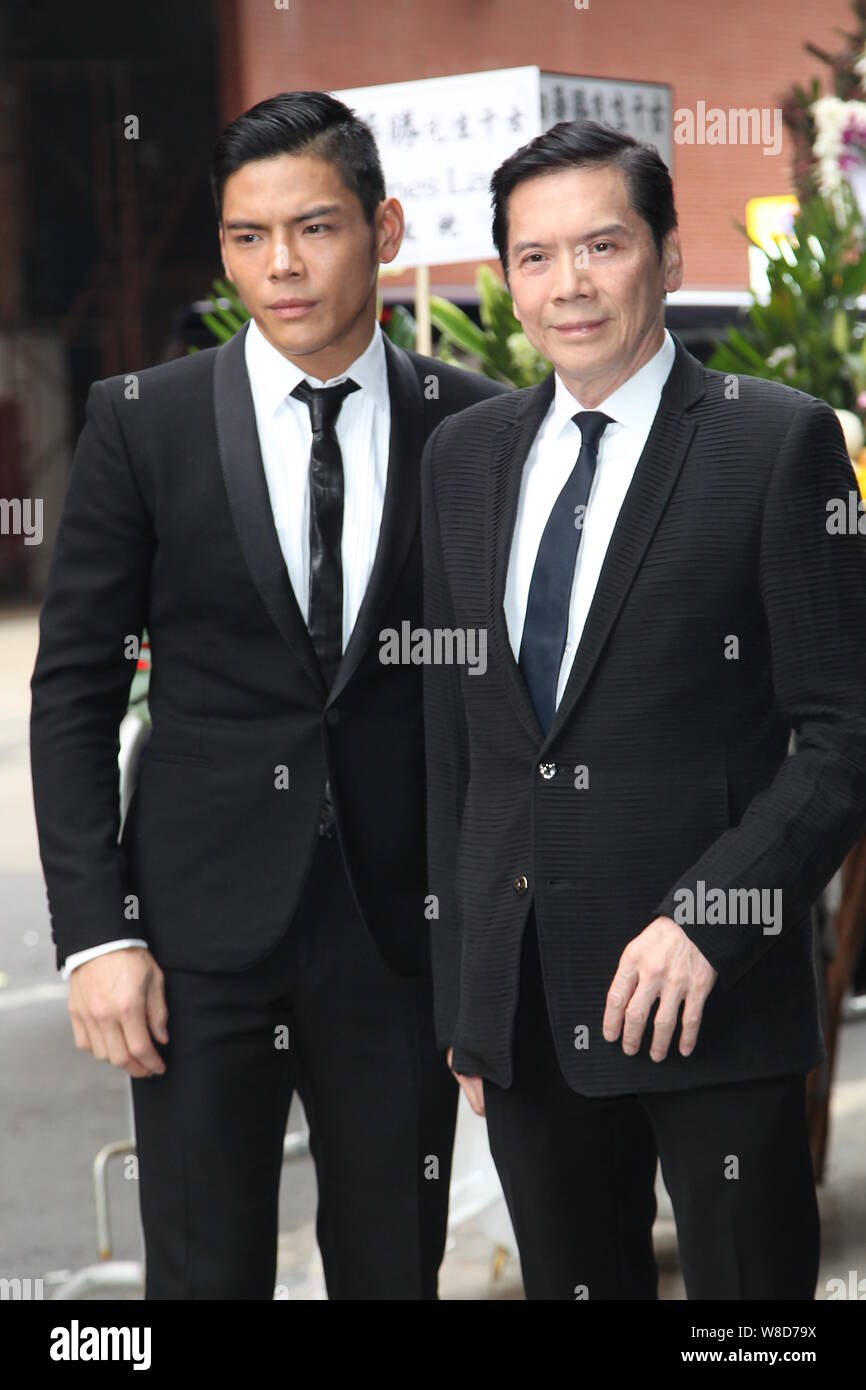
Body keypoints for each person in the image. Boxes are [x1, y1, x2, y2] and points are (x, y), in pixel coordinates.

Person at [29, 90, 506, 1300]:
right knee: (200, 1275)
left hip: (400, 941)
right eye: (247, 237)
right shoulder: (146, 426)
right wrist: (96, 934)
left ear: (384, 227)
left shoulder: (477, 427)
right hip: (192, 944)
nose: (280, 266)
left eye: (315, 227)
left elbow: (504, 702)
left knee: (394, 1268)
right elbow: (76, 690)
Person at [421, 119, 866, 1300]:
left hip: (706, 999)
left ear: (665, 258)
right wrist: (467, 992)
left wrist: (706, 921)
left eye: (601, 245)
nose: (566, 284)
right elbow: (452, 746)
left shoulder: (775, 444)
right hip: (523, 1010)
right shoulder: (462, 458)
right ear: (504, 275)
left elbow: (843, 735)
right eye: (533, 255)